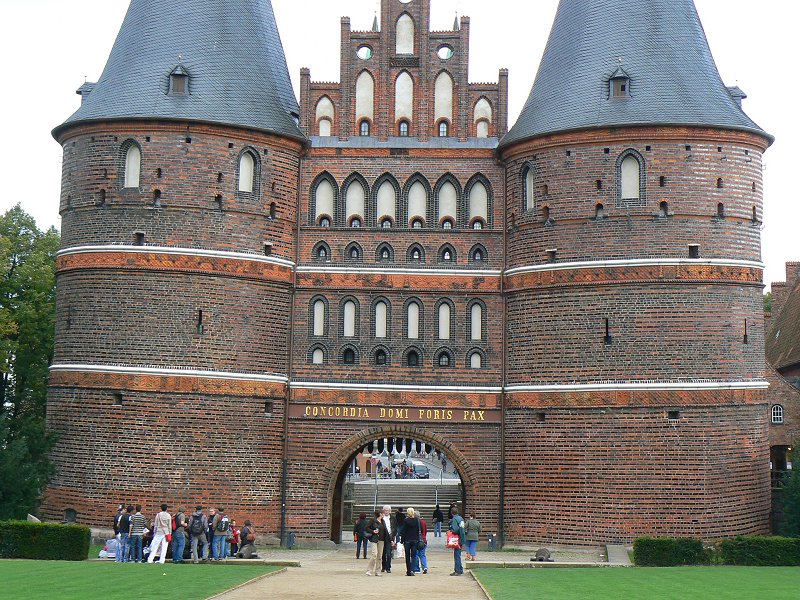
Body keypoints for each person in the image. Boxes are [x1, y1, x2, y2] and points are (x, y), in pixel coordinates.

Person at [401, 507, 420, 576]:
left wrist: (402, 540)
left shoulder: (406, 521)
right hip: (415, 539)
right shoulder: (417, 520)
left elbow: (404, 531)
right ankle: (413, 569)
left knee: (407, 556)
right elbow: (418, 530)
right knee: (414, 556)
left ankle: (408, 570)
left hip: (407, 540)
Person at [448, 505, 465, 576]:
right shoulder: (461, 518)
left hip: (457, 538)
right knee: (458, 554)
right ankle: (460, 569)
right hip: (462, 537)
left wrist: (450, 530)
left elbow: (455, 530)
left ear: (452, 513)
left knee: (456, 555)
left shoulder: (454, 519)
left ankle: (457, 570)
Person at [365, 510, 382, 577]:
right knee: (374, 554)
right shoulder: (373, 520)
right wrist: (372, 531)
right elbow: (366, 528)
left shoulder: (383, 522)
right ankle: (369, 570)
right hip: (374, 539)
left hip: (381, 539)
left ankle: (378, 571)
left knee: (380, 556)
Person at [379, 505, 395, 573]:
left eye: (388, 510)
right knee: (382, 553)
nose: (386, 512)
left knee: (388, 553)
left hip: (390, 538)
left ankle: (388, 567)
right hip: (382, 537)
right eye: (385, 510)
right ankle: (383, 566)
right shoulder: (381, 518)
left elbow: (394, 528)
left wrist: (393, 537)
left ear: (390, 511)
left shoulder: (393, 518)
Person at [414, 509, 428, 574]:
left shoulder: (415, 522)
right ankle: (425, 567)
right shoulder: (424, 522)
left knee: (416, 554)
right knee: (422, 554)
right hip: (423, 539)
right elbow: (425, 531)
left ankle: (417, 569)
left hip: (417, 539)